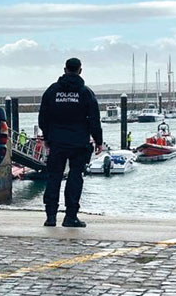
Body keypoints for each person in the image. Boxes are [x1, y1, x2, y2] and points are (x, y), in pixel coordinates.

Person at [38, 58, 103, 228]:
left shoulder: (52, 91)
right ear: (80, 71)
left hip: (56, 141)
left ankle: (50, 216)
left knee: (53, 177)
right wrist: (99, 141)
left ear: (65, 69)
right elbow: (94, 119)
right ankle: (70, 216)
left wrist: (46, 137)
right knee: (75, 178)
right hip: (79, 142)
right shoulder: (85, 93)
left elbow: (43, 116)